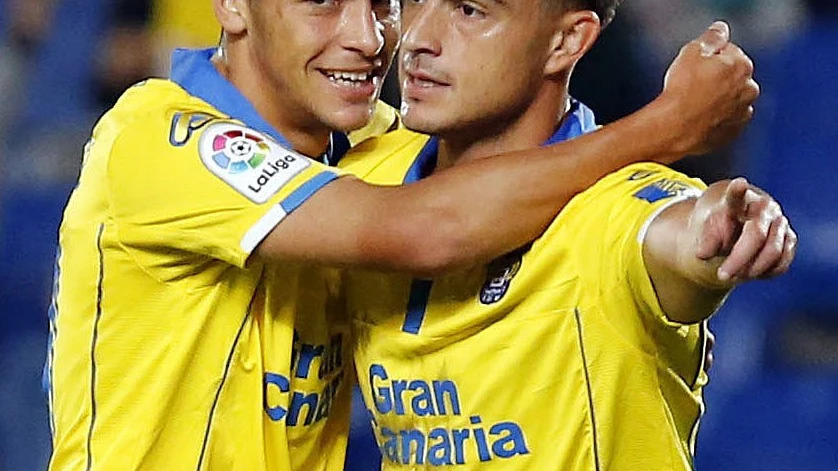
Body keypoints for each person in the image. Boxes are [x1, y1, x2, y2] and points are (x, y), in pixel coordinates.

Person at [44, 0, 759, 469]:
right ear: (231, 5)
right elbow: (426, 227)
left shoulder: (382, 154)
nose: (374, 39)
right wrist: (665, 127)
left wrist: (714, 225)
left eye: (385, 2)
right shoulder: (159, 139)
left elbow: (650, 225)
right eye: (324, 0)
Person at [342, 2, 795, 470]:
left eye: (470, 11)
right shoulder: (367, 171)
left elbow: (677, 234)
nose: (418, 38)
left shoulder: (613, 207)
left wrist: (722, 225)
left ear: (567, 42)